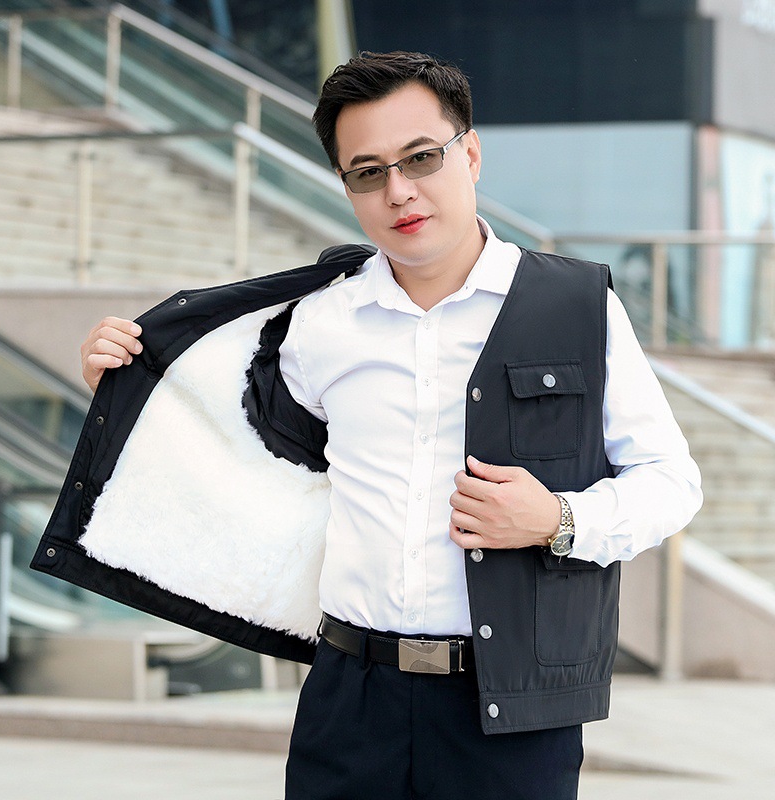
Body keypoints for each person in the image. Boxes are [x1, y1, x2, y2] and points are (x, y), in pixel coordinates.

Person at [64, 52, 701, 799]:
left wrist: (558, 519)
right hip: (349, 700)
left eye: (421, 158)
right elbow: (244, 447)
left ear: (470, 153)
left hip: (509, 714)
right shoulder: (318, 324)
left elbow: (672, 482)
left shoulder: (576, 307)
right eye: (367, 172)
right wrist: (128, 382)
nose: (399, 190)